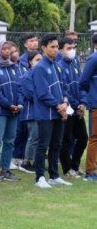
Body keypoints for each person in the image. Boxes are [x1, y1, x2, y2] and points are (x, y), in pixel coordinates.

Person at [32, 34, 71, 189]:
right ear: (44, 48)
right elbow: (42, 93)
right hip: (45, 113)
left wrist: (65, 103)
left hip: (59, 112)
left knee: (56, 144)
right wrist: (58, 106)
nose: (55, 50)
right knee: (43, 145)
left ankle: (54, 175)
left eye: (56, 47)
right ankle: (40, 177)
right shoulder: (40, 67)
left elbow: (64, 87)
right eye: (52, 47)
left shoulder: (57, 66)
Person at [0, 40, 22, 182]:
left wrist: (19, 103)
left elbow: (19, 87)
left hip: (14, 111)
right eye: (4, 49)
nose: (7, 51)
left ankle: (5, 169)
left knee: (10, 141)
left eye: (9, 49)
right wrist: (8, 105)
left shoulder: (13, 66)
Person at [57, 38, 87, 178]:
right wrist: (76, 105)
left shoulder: (75, 64)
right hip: (68, 109)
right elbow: (64, 90)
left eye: (73, 47)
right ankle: (67, 168)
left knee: (82, 138)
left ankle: (75, 166)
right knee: (66, 139)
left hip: (78, 108)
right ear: (61, 49)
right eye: (69, 48)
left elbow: (81, 85)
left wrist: (82, 103)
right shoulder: (59, 66)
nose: (72, 50)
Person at [19, 51, 42, 173]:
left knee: (40, 137)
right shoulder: (26, 76)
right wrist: (43, 97)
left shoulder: (41, 75)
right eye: (37, 60)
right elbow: (29, 95)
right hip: (31, 112)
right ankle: (27, 161)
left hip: (42, 111)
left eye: (41, 60)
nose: (40, 62)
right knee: (33, 137)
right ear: (30, 61)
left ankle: (37, 160)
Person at [79, 33, 97, 182]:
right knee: (95, 137)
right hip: (96, 103)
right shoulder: (93, 59)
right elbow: (83, 81)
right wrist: (92, 93)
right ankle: (90, 171)